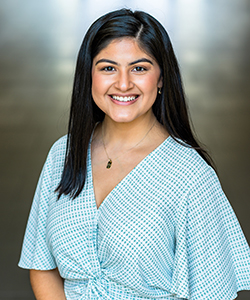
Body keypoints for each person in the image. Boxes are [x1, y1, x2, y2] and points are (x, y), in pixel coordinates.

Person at [18, 8, 250, 300]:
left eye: (139, 68)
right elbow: (43, 267)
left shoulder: (191, 176)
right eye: (108, 68)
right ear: (89, 75)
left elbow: (211, 292)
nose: (124, 84)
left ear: (162, 78)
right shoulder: (63, 154)